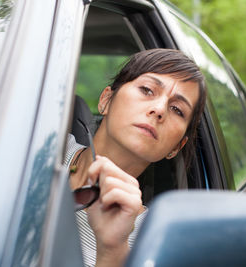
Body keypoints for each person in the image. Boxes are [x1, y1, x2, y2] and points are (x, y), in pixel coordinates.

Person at [64, 48, 207, 267]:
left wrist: (113, 249)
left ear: (177, 147)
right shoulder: (40, 145)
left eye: (177, 109)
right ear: (106, 100)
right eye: (147, 90)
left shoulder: (157, 242)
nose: (159, 109)